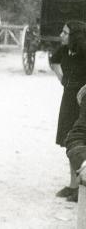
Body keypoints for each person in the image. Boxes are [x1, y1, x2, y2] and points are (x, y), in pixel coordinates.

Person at [51, 21, 86, 202]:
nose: (61, 35)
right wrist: (62, 79)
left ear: (75, 36)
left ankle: (81, 187)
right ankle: (74, 185)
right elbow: (53, 61)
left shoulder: (84, 52)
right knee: (69, 141)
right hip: (68, 100)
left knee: (80, 140)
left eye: (65, 33)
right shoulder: (65, 50)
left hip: (83, 103)